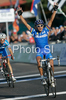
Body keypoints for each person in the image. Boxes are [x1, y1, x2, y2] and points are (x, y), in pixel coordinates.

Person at [17, 4, 58, 85]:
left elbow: (51, 21)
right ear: (36, 27)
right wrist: (20, 15)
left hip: (46, 50)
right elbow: (26, 24)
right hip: (39, 51)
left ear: (43, 26)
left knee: (52, 63)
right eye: (38, 26)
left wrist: (55, 10)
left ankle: (52, 77)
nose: (40, 27)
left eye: (41, 25)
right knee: (39, 61)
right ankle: (42, 78)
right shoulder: (34, 32)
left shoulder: (46, 30)